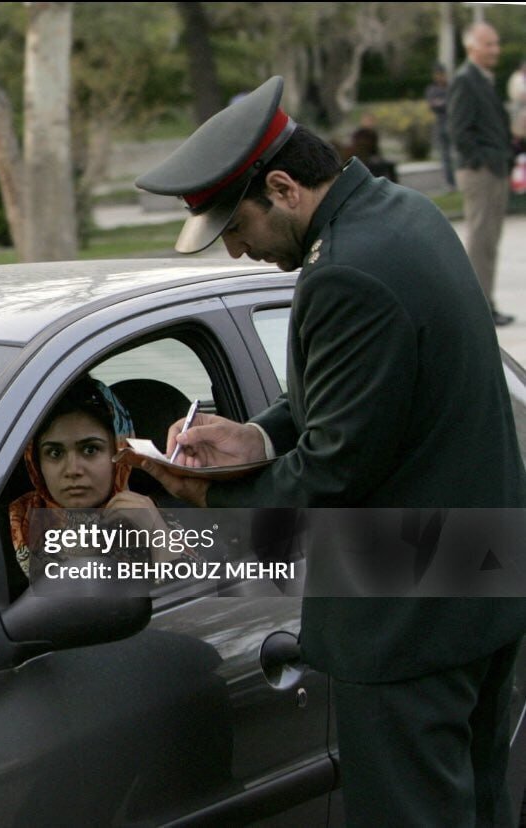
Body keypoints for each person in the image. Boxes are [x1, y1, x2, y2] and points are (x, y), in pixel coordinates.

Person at [134, 76, 526, 826]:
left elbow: (335, 474)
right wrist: (257, 434)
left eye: (237, 228)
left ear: (282, 187)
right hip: (477, 588)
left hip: (408, 624)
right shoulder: (401, 215)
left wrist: (206, 494)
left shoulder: (343, 272)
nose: (239, 251)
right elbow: (369, 393)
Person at [8, 376, 176, 578]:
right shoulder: (7, 528)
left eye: (90, 449)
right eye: (54, 453)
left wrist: (157, 536)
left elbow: (197, 602)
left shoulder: (150, 517)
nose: (73, 470)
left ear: (120, 452)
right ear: (36, 463)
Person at [449, 21, 515, 326]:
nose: (495, 50)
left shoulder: (483, 79)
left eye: (496, 44)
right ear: (471, 47)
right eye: (489, 44)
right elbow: (459, 130)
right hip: (482, 172)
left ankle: (486, 303)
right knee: (481, 239)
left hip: (495, 168)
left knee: (489, 241)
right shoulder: (465, 80)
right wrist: (482, 161)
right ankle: (479, 310)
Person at [427, 63, 457, 189]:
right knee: (445, 156)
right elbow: (434, 105)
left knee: (456, 153)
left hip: (453, 124)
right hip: (441, 124)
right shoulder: (432, 90)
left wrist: (442, 103)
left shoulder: (451, 88)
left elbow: (453, 103)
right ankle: (450, 182)